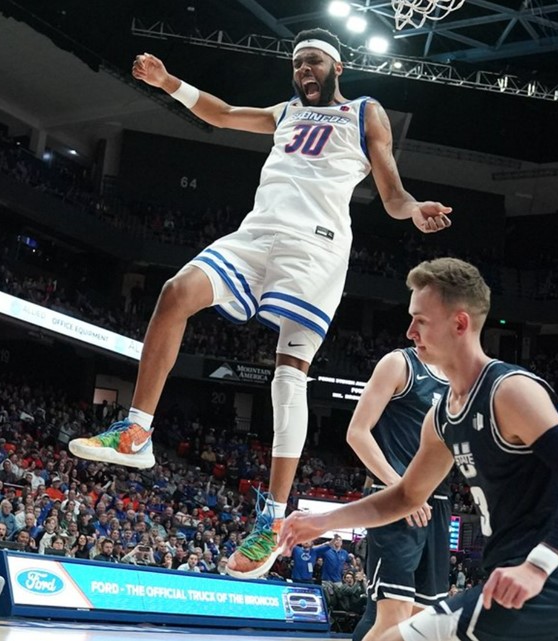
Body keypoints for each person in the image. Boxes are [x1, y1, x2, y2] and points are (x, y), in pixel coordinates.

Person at [69, 27, 452, 579]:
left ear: (337, 68)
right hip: (257, 234)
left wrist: (414, 210)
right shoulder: (286, 111)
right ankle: (136, 431)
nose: (303, 72)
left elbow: (391, 194)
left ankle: (271, 520)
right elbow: (223, 113)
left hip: (315, 247)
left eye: (314, 63)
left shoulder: (367, 111)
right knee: (176, 292)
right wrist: (168, 82)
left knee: (288, 375)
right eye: (297, 64)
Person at [278, 258, 558, 641]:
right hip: (506, 578)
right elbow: (404, 496)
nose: (409, 331)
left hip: (542, 582)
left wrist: (536, 567)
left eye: (420, 320)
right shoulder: (442, 416)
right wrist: (321, 523)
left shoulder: (511, 391)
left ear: (459, 323)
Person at [344, 346, 450, 641]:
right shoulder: (399, 363)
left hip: (439, 504)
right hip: (397, 500)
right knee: (392, 617)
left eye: (422, 318)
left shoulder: (464, 380)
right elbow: (357, 432)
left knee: (421, 622)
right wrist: (402, 488)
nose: (412, 329)